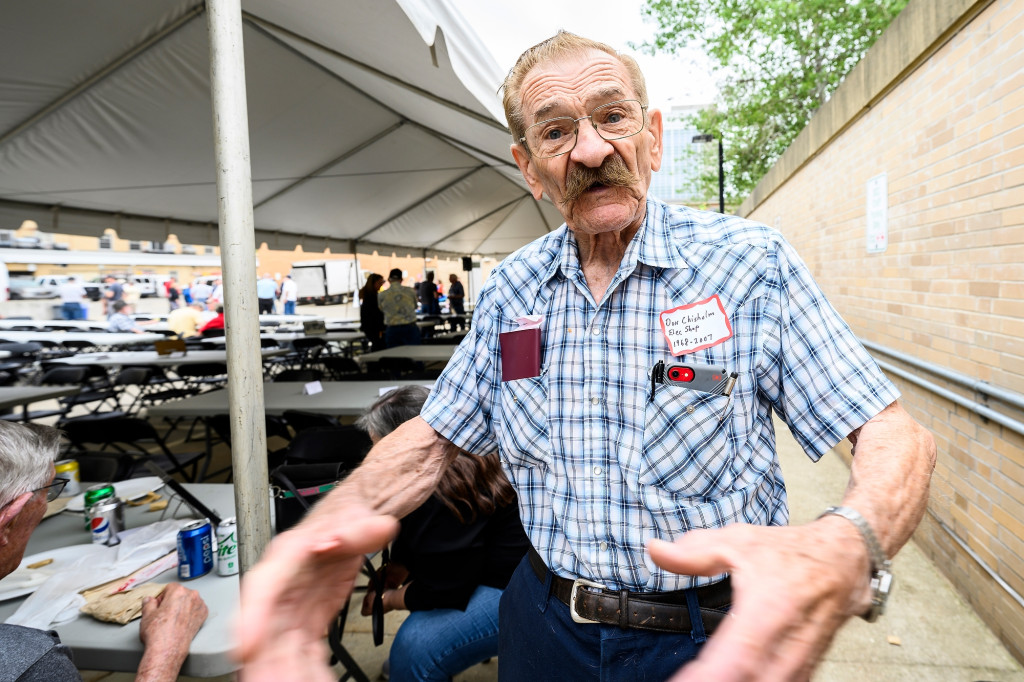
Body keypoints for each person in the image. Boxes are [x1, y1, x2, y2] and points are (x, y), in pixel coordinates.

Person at [237, 32, 935, 682]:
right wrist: (333, 522)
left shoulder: (749, 265)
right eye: (556, 131)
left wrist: (850, 541)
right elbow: (431, 439)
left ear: (653, 138)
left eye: (613, 117)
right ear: (529, 167)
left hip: (711, 632)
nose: (592, 150)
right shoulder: (513, 290)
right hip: (545, 627)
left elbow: (892, 433)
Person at [0, 420, 208, 681]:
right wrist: (164, 653)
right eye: (48, 491)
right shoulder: (31, 663)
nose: (44, 506)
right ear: (9, 518)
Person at [356, 386, 529, 681]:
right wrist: (400, 566)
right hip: (497, 572)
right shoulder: (465, 457)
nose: (375, 458)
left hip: (517, 592)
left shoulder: (443, 489)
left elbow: (446, 586)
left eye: (380, 446)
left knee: (414, 648)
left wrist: (389, 600)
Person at [377, 268, 420, 348]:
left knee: (394, 358)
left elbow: (381, 310)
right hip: (410, 328)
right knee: (414, 355)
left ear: (389, 280)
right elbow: (415, 306)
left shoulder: (382, 295)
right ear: (401, 280)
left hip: (392, 329)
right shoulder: (410, 291)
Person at [358, 273, 386, 353]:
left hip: (369, 327)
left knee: (377, 346)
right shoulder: (372, 297)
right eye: (380, 283)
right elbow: (376, 314)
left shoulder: (367, 294)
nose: (381, 285)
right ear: (374, 283)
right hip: (374, 327)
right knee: (378, 346)